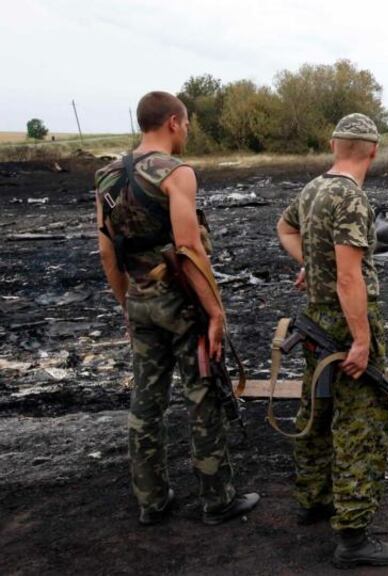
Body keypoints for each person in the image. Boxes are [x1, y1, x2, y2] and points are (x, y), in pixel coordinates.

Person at [95, 91, 259, 526]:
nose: (186, 131)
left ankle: (151, 500)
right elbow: (188, 247)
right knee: (202, 394)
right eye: (185, 124)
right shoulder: (176, 173)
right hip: (182, 303)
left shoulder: (107, 177)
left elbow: (108, 254)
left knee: (145, 403)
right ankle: (217, 499)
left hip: (140, 302)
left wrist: (127, 306)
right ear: (172, 121)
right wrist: (216, 311)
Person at [275, 113, 388, 569]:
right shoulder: (351, 199)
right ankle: (353, 536)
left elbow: (285, 228)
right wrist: (361, 340)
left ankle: (313, 499)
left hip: (314, 322)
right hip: (342, 323)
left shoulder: (313, 189)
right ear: (373, 149)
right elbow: (350, 278)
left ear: (334, 145)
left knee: (317, 408)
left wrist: (312, 266)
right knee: (359, 424)